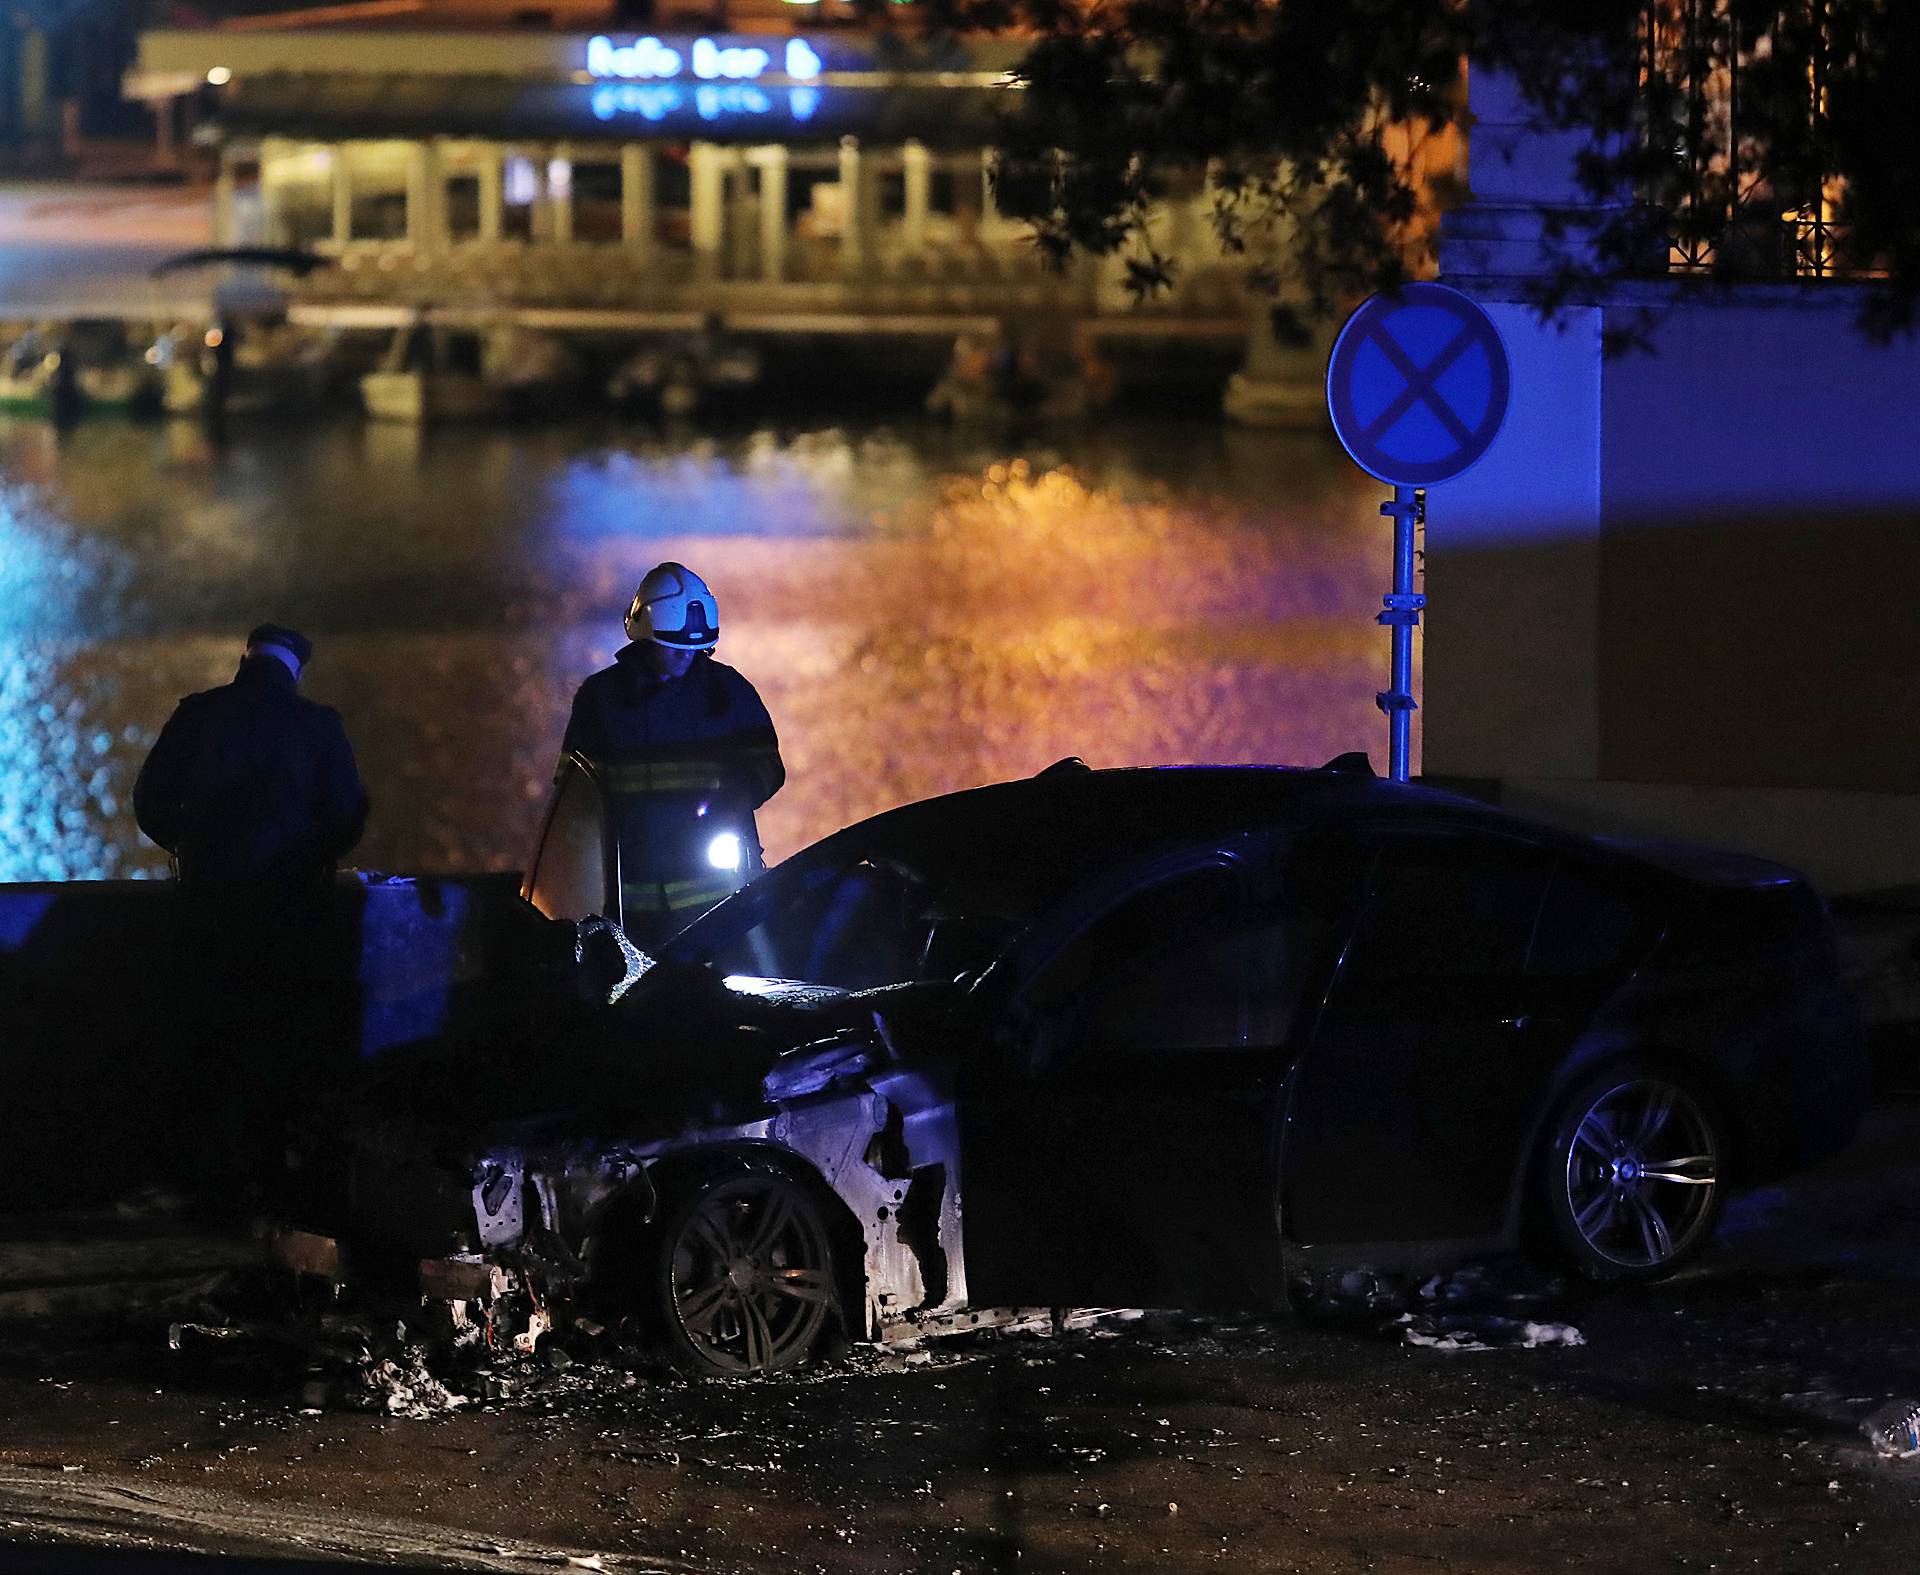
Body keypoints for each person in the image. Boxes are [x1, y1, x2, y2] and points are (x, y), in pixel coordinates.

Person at [562, 562, 784, 948]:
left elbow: (768, 766)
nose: (687, 658)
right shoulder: (601, 700)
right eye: (674, 648)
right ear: (646, 637)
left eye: (696, 649)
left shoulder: (727, 693)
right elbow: (573, 795)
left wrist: (733, 796)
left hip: (719, 905)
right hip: (624, 908)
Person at [133, 622, 368, 892]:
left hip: (208, 890)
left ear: (243, 662)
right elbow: (348, 815)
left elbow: (149, 799)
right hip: (293, 894)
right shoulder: (321, 725)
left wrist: (189, 845)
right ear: (298, 673)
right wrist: (311, 858)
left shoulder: (196, 712)